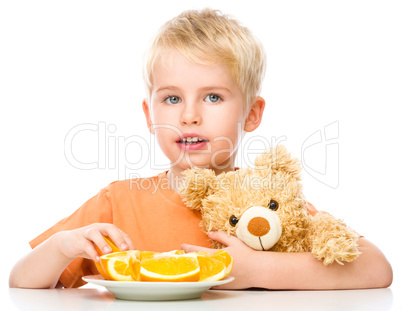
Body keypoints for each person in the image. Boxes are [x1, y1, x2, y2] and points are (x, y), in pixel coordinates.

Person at [9, 8, 392, 290]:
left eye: (212, 96)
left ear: (252, 113)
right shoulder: (118, 203)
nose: (189, 116)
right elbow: (21, 281)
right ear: (149, 114)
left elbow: (376, 268)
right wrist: (61, 248)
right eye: (172, 99)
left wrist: (256, 270)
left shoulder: (270, 204)